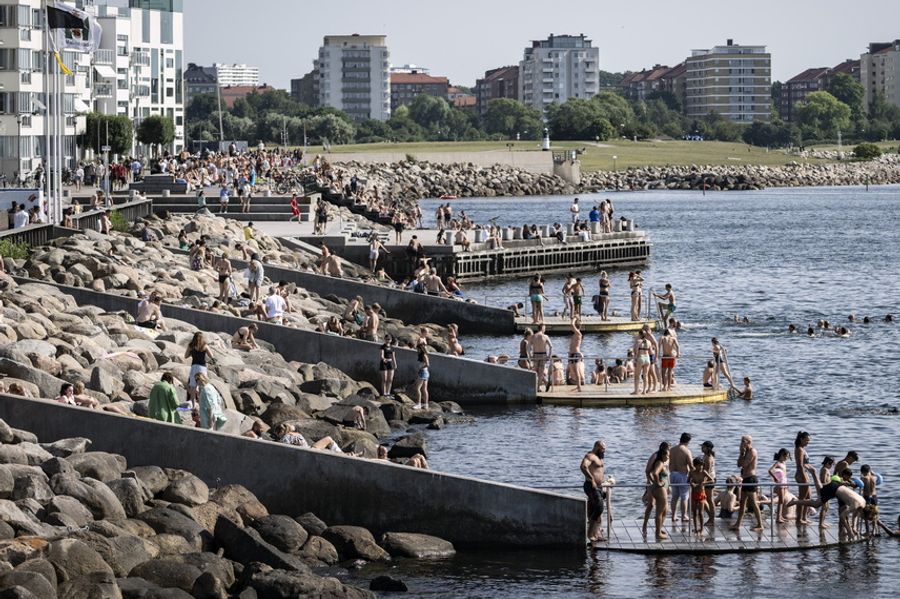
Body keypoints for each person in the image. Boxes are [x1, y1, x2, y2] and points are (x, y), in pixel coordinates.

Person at [732, 435, 764, 532]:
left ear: (748, 442)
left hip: (751, 479)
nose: (741, 443)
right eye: (741, 441)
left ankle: (760, 524)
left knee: (753, 503)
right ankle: (738, 524)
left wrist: (743, 453)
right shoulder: (744, 452)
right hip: (745, 479)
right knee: (742, 503)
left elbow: (744, 464)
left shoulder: (752, 451)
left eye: (743, 441)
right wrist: (741, 453)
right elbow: (738, 464)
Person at [580, 440, 607, 543]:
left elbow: (599, 471)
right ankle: (590, 533)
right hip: (591, 486)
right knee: (599, 507)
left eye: (604, 449)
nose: (604, 451)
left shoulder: (600, 457)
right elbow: (583, 467)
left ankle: (596, 533)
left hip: (599, 487)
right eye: (602, 449)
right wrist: (591, 479)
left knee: (596, 510)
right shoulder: (590, 456)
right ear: (596, 447)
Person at [645, 444, 670, 540]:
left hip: (658, 488)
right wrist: (658, 482)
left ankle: (659, 529)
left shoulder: (659, 462)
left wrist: (655, 482)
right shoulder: (660, 463)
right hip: (660, 490)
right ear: (663, 455)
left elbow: (651, 473)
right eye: (667, 455)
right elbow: (654, 473)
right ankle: (658, 533)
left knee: (664, 511)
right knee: (660, 512)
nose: (668, 457)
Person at [668, 433, 693, 524]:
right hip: (682, 475)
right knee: (684, 497)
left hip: (672, 474)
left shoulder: (672, 449)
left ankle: (674, 515)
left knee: (674, 496)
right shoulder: (686, 451)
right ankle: (684, 515)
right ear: (688, 441)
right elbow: (691, 465)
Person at [184, 332, 211, 406]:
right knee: (203, 385)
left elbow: (185, 356)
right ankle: (201, 402)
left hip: (194, 366)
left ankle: (193, 404)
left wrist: (191, 353)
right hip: (202, 367)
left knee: (193, 386)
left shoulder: (191, 346)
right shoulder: (205, 346)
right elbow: (211, 356)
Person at [688, 457, 713, 533]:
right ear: (695, 465)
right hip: (694, 493)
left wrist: (704, 483)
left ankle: (701, 529)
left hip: (701, 493)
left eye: (702, 465)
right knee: (694, 512)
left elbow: (712, 480)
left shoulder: (704, 472)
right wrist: (692, 483)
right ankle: (695, 528)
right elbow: (688, 480)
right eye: (699, 465)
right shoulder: (692, 472)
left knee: (701, 513)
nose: (700, 467)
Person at [793, 431, 812, 527]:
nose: (808, 442)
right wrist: (805, 478)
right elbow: (800, 465)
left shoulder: (802, 449)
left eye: (809, 440)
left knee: (808, 497)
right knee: (802, 498)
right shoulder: (799, 449)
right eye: (807, 440)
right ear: (801, 439)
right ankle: (799, 519)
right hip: (801, 475)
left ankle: (804, 517)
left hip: (805, 474)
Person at [768, 448, 791, 524]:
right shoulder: (777, 463)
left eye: (787, 456)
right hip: (780, 483)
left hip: (784, 482)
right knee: (780, 500)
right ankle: (778, 518)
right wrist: (775, 478)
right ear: (782, 455)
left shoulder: (784, 463)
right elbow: (770, 470)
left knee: (783, 500)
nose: (787, 458)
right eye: (786, 456)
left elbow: (784, 474)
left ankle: (780, 516)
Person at [528, 324, 552, 391]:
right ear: (542, 328)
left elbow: (528, 347)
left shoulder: (533, 336)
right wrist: (549, 356)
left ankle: (541, 386)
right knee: (540, 372)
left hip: (535, 355)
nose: (545, 330)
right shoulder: (545, 336)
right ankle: (540, 386)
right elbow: (551, 346)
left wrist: (530, 357)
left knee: (535, 371)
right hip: (543, 355)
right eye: (544, 328)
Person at [699, 441, 717, 525]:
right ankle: (710, 517)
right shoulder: (705, 456)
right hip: (707, 479)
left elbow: (707, 471)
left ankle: (711, 519)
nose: (702, 448)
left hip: (709, 480)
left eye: (703, 447)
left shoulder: (709, 458)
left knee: (709, 499)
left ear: (707, 448)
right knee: (705, 498)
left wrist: (704, 482)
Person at [859, 464, 878, 536]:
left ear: (863, 471)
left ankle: (867, 531)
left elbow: (861, 487)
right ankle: (874, 531)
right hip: (874, 497)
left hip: (867, 497)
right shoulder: (874, 477)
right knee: (874, 514)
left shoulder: (864, 478)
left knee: (865, 515)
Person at [632, 329, 651, 395]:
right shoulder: (649, 342)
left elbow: (636, 351)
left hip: (640, 358)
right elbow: (651, 351)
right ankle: (644, 391)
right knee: (645, 376)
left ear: (640, 334)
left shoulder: (638, 341)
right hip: (647, 358)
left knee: (637, 376)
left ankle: (636, 391)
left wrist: (634, 360)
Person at [568, 318, 584, 391]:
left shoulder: (578, 333)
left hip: (576, 354)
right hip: (572, 354)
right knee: (573, 371)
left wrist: (574, 318)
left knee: (577, 370)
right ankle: (578, 385)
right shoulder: (575, 334)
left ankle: (579, 387)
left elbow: (572, 324)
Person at [413, 342, 430, 410]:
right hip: (425, 372)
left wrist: (420, 368)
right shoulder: (422, 355)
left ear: (420, 349)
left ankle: (418, 404)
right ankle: (426, 404)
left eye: (418, 349)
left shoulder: (423, 355)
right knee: (424, 389)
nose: (417, 350)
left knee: (417, 388)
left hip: (423, 372)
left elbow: (427, 364)